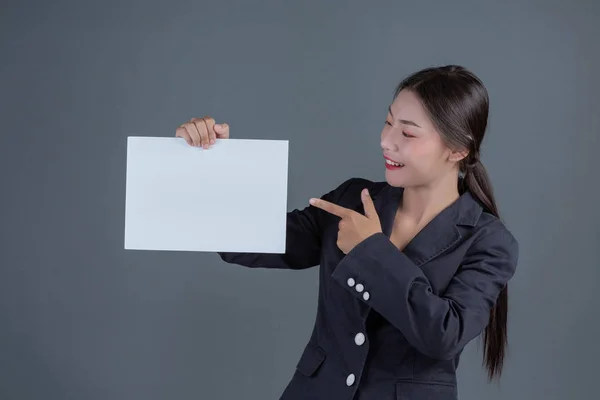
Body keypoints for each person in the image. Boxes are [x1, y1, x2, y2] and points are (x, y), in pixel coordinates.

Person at [174, 65, 519, 400]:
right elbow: (252, 243)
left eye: (408, 133)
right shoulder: (353, 199)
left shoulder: (489, 242)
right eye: (387, 123)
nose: (386, 141)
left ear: (458, 150)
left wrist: (370, 250)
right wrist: (211, 163)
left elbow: (443, 335)